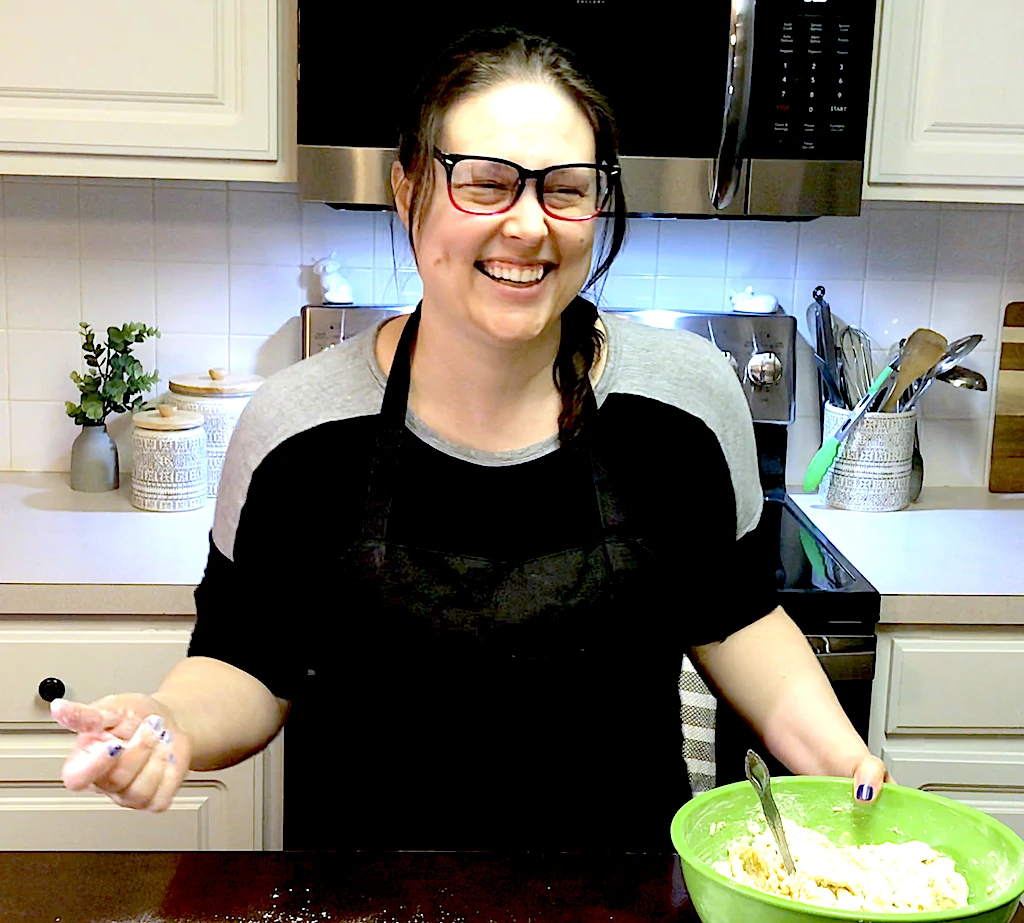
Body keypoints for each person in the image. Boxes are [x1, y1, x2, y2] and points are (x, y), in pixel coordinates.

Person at [51, 27, 891, 851]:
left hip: (620, 896)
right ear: (407, 189)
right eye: (485, 183)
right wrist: (167, 721)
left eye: (565, 187)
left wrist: (842, 759)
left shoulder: (685, 401)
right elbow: (244, 663)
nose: (528, 225)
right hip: (366, 903)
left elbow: (736, 615)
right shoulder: (295, 430)